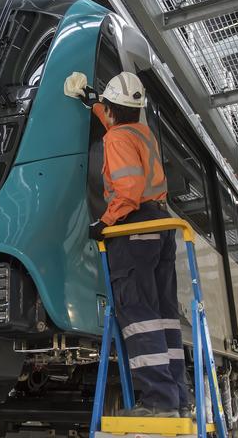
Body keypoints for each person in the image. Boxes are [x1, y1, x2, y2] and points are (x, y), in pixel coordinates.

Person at [64, 71, 188, 418]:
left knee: (137, 312)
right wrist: (93, 102)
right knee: (163, 315)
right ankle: (177, 398)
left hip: (134, 228)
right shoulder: (141, 133)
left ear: (113, 109)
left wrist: (104, 222)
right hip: (161, 227)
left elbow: (129, 189)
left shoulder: (116, 139)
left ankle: (158, 402)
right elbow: (118, 124)